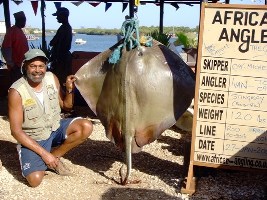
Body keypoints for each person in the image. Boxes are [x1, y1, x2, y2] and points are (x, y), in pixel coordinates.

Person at [8, 49, 93, 187]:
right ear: (25, 67)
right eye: (33, 66)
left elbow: (67, 106)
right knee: (35, 180)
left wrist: (70, 89)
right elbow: (16, 131)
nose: (37, 70)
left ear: (46, 66)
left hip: (54, 128)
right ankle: (32, 152)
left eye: (41, 66)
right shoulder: (16, 91)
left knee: (86, 126)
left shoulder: (51, 78)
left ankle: (55, 156)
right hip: (35, 136)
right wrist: (44, 154)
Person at [1, 11, 29, 83]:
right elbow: (6, 48)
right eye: (23, 20)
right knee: (17, 85)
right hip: (16, 67)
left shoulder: (19, 30)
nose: (24, 22)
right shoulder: (12, 31)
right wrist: (11, 64)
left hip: (22, 65)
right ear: (18, 20)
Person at [49, 7, 72, 90]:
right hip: (63, 58)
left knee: (60, 80)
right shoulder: (66, 28)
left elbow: (52, 42)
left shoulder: (64, 28)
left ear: (63, 16)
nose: (57, 18)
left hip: (61, 59)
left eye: (58, 16)